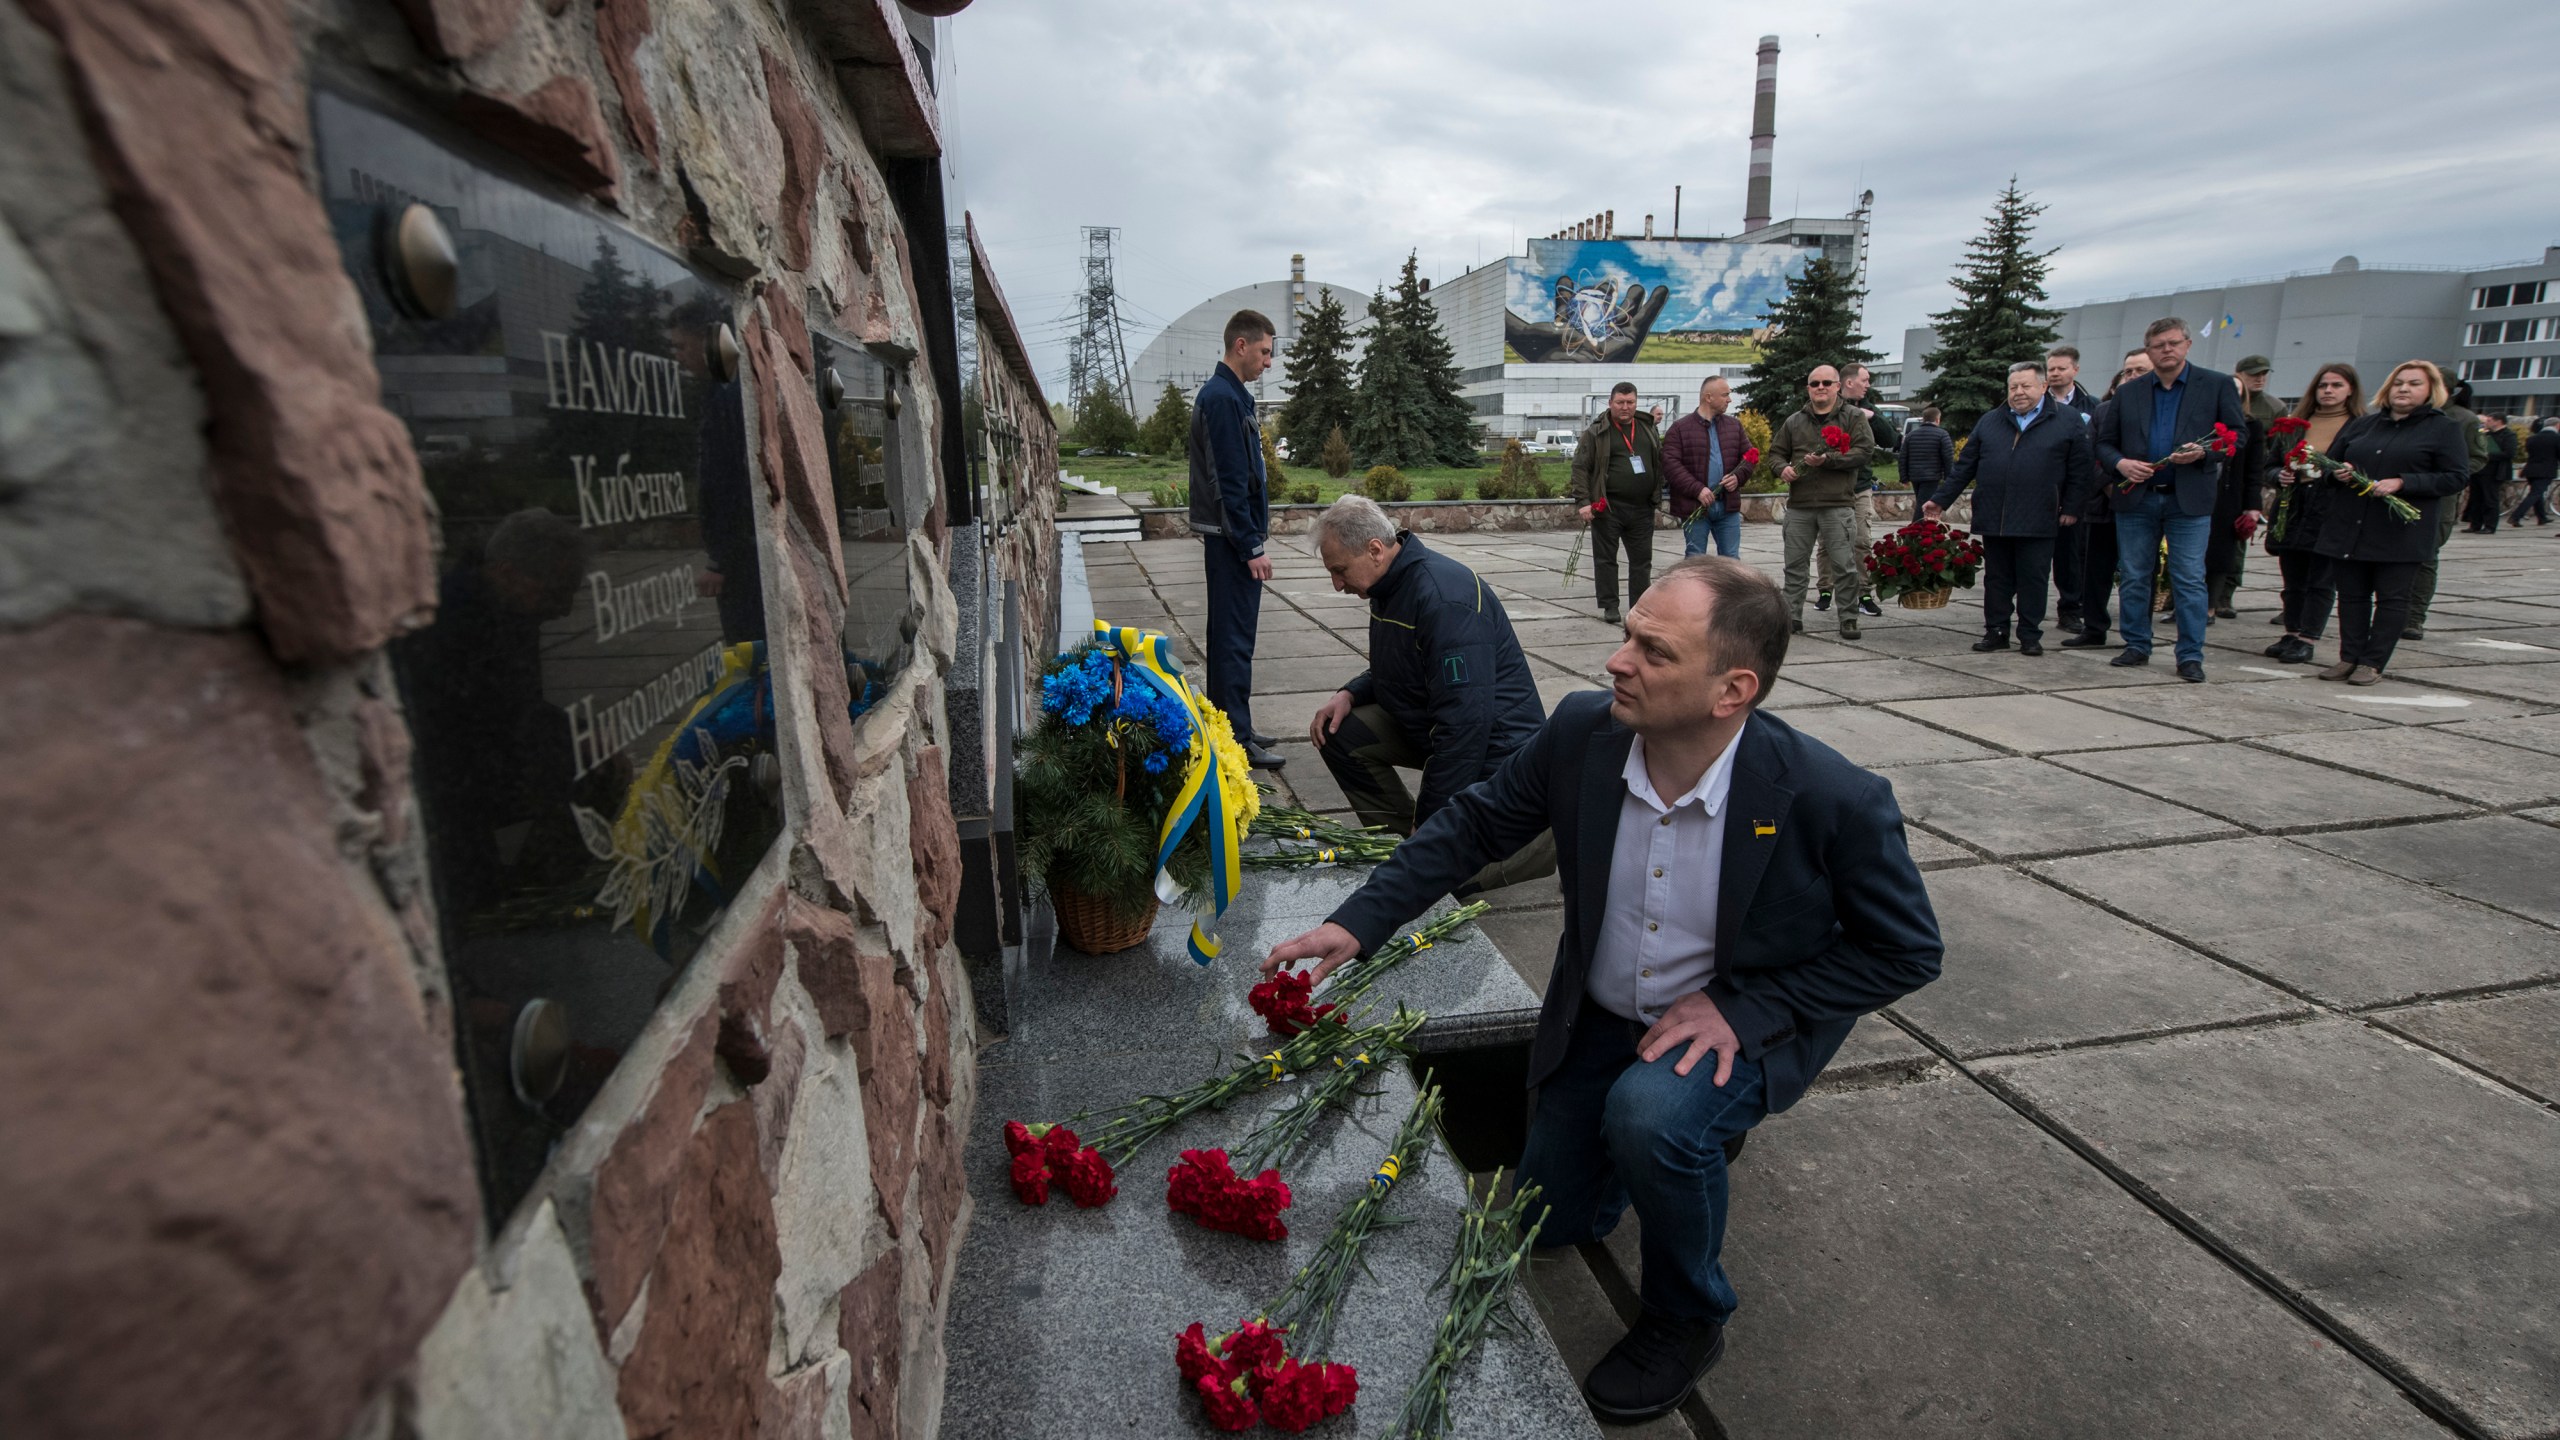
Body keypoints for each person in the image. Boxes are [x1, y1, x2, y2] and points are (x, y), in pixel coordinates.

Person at [1261, 557, 1942, 1426]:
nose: (1617, 661)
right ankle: (1670, 1146)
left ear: (1732, 689)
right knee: (1552, 1221)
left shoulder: (1829, 798)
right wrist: (1358, 922)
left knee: (1654, 1118)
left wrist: (1746, 1010)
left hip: (1726, 1028)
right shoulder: (1586, 733)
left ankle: (1688, 1314)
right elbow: (1473, 823)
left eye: (1653, 652)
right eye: (1627, 636)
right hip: (1603, 1014)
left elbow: (1907, 951)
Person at [1306, 496, 1557, 892]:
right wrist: (1350, 693)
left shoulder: (1443, 598)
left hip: (1497, 751)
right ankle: (1404, 849)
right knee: (1340, 733)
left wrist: (1433, 812)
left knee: (1439, 883)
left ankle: (1540, 844)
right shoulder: (1389, 584)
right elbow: (1403, 663)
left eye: (1339, 570)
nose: (1337, 584)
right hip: (1432, 726)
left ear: (1374, 550)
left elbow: (1466, 725)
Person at [2090, 317, 2247, 682]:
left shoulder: (2217, 385)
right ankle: (2136, 644)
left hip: (2187, 498)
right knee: (2133, 575)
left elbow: (2237, 436)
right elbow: (2103, 443)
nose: (2167, 350)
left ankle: (2190, 654)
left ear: (2187, 345)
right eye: (2159, 345)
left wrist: (2204, 453)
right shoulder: (2129, 392)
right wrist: (2122, 464)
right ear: (2149, 350)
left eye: (2174, 343)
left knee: (2190, 578)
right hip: (2139, 497)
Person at [2310, 360, 2469, 684]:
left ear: (2430, 391)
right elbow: (2330, 467)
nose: (2404, 389)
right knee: (2352, 596)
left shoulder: (2443, 428)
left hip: (2399, 531)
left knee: (2392, 598)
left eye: (2414, 384)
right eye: (2399, 383)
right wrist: (2337, 473)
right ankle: (2349, 657)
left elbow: (2455, 477)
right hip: (2351, 525)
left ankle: (2373, 661)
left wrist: (2404, 482)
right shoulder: (2362, 425)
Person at [1924, 361, 2095, 655]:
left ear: (2043, 387)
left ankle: (2029, 633)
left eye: (2026, 386)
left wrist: (2072, 507)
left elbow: (2081, 469)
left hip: (2040, 514)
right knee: (1997, 578)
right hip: (1995, 513)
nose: (2018, 392)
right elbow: (1966, 466)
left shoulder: (2067, 420)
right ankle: (1997, 630)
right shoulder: (1990, 420)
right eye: (2013, 387)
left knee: (2033, 577)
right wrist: (1940, 500)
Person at [1187, 310, 1285, 768]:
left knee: (1235, 640)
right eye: (1265, 351)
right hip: (1230, 543)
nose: (1269, 362)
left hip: (1231, 540)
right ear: (1240, 345)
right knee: (1231, 643)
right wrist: (1251, 546)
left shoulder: (1231, 395)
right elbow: (1228, 482)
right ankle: (1234, 742)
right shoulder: (1223, 398)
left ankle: (1236, 727)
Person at [1766, 364, 1878, 639]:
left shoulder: (1852, 417)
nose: (1820, 388)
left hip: (1837, 504)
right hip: (1801, 506)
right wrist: (1782, 469)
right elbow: (1775, 454)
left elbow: (1864, 452)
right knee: (1794, 566)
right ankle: (1792, 617)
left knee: (1844, 566)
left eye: (1826, 383)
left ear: (1838, 386)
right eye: (1814, 383)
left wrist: (1830, 460)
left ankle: (1848, 618)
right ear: (1808, 388)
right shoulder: (1795, 421)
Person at [2259, 362, 2360, 665]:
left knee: (2321, 578)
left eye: (2336, 385)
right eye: (2323, 385)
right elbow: (2270, 464)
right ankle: (2291, 631)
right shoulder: (2298, 423)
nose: (2328, 391)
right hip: (2294, 503)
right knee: (2293, 578)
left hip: (2330, 506)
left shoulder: (2359, 425)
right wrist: (2279, 475)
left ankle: (2308, 637)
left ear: (2350, 390)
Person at [2062, 349, 2151, 649]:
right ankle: (2094, 626)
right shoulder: (2103, 411)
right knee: (2095, 569)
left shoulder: (2160, 412)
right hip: (2104, 504)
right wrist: (2109, 486)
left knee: (2138, 573)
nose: (2133, 377)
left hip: (2143, 505)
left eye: (2140, 371)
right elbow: (2090, 455)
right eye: (2128, 372)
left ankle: (2138, 635)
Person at [1571, 381, 1666, 624]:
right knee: (1606, 559)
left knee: (1642, 562)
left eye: (1630, 402)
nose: (1625, 407)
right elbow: (1581, 467)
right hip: (1608, 508)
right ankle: (1610, 605)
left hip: (1642, 508)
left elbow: (1659, 461)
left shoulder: (1646, 428)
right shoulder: (1596, 432)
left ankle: (1638, 606)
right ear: (1610, 403)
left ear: (1636, 403)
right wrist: (1583, 501)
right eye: (1620, 402)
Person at [2403, 377, 2490, 639]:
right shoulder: (2405, 416)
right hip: (2399, 493)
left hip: (2438, 499)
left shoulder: (2461, 419)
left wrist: (2442, 476)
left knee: (2425, 559)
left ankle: (2414, 618)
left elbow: (2477, 458)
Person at [1814, 364, 1891, 618]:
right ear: (1848, 383)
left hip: (1859, 487)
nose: (1868, 384)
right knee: (1827, 542)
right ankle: (1826, 590)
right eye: (1865, 380)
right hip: (1831, 486)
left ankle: (1863, 593)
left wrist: (1872, 416)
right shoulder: (1828, 406)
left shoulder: (1869, 407)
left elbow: (1890, 440)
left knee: (1861, 541)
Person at [2210, 356, 2279, 618]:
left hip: (2231, 495)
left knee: (2225, 553)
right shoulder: (2207, 422)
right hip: (2204, 493)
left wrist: (2252, 505)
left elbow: (2254, 469)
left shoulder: (2253, 423)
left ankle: (2218, 601)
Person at [2042, 347, 2098, 631]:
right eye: (2050, 369)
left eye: (2060, 369)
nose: (2054, 374)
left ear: (2074, 370)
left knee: (2070, 558)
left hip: (2072, 495)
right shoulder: (2036, 403)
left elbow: (2091, 459)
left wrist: (2075, 503)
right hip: (2040, 494)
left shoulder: (2091, 407)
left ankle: (2070, 608)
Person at [1663, 376, 1750, 559]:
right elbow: (1671, 465)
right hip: (1696, 507)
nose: (1729, 400)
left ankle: (1728, 590)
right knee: (1695, 560)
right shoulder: (1680, 429)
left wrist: (1738, 477)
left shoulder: (1734, 426)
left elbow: (1749, 458)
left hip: (1727, 507)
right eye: (1725, 395)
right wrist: (1698, 489)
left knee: (1731, 561)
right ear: (1708, 397)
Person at [1896, 406, 1954, 518]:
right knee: (1923, 507)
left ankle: (1922, 531)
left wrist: (1904, 477)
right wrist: (1949, 478)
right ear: (1937, 419)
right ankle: (1914, 530)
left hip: (1915, 476)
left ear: (1923, 419)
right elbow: (1948, 458)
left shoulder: (1911, 435)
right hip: (1932, 476)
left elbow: (1903, 457)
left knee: (1921, 502)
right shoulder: (1942, 434)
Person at [2467, 413, 2516, 533]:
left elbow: (2509, 453)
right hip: (2479, 471)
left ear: (2498, 421)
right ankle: (2475, 524)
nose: (2486, 423)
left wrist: (2487, 454)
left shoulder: (2508, 435)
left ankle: (2490, 525)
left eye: (2489, 420)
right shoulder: (2485, 433)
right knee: (2476, 499)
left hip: (2494, 472)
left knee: (2490, 499)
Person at [2516, 416, 2560, 526]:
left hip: (2530, 469)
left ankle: (2542, 517)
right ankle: (2516, 516)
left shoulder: (2532, 438)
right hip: (2545, 470)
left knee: (2537, 493)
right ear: (2557, 425)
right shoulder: (2556, 438)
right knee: (2535, 494)